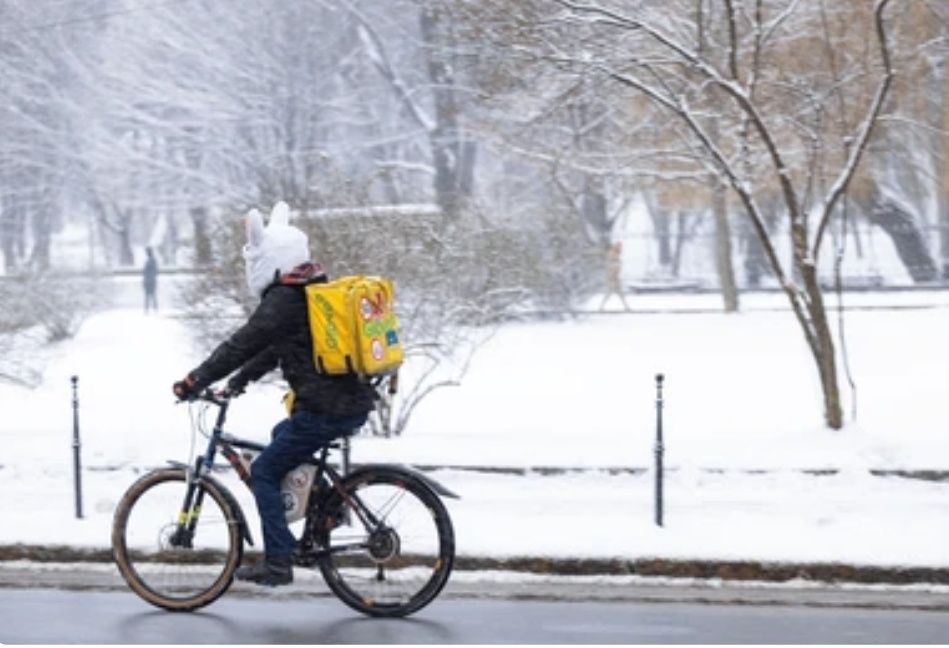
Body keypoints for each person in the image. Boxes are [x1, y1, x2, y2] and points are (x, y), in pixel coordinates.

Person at [171, 202, 375, 587]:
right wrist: (237, 383)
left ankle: (278, 563)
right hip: (343, 402)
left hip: (326, 408)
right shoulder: (308, 291)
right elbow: (273, 349)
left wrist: (194, 381)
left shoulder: (284, 298)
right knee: (284, 437)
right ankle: (326, 513)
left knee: (264, 471)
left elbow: (242, 344)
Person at [599, 240, 631, 312]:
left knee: (619, 293)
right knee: (609, 293)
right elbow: (611, 266)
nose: (621, 249)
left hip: (615, 278)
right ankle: (601, 307)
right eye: (620, 247)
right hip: (612, 278)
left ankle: (626, 307)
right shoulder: (612, 254)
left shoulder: (615, 254)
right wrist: (612, 276)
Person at [143, 247, 159, 313]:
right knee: (149, 295)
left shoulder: (152, 261)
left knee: (151, 295)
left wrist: (148, 279)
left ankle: (153, 308)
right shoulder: (150, 260)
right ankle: (149, 309)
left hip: (150, 281)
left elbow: (154, 271)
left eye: (147, 252)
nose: (147, 253)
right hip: (149, 280)